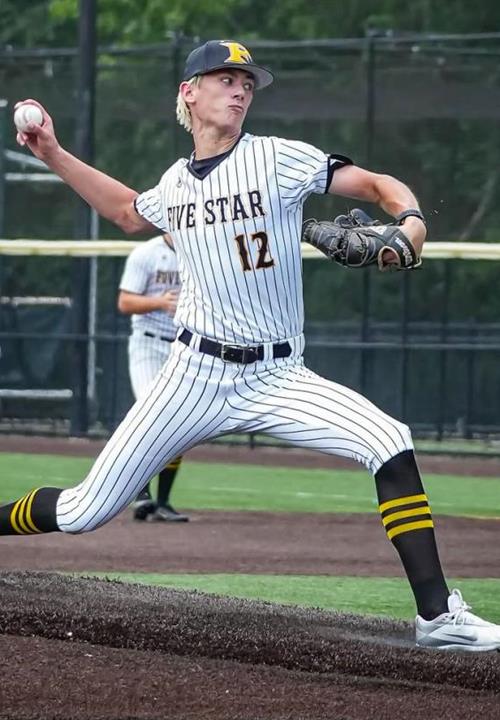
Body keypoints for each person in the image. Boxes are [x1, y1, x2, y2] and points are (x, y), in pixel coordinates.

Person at [2, 39, 500, 652]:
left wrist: (413, 222)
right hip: (192, 376)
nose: (240, 89)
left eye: (247, 82)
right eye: (225, 78)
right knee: (84, 511)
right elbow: (129, 212)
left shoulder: (278, 158)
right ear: (189, 92)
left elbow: (377, 185)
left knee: (390, 440)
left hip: (279, 376)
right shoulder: (175, 183)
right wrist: (52, 153)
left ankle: (438, 617)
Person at [117, 232, 189, 522]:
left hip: (184, 347)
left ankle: (163, 502)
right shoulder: (146, 253)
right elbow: (124, 302)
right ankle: (141, 493)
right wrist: (159, 302)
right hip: (148, 343)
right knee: (151, 412)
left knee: (181, 420)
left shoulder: (200, 250)